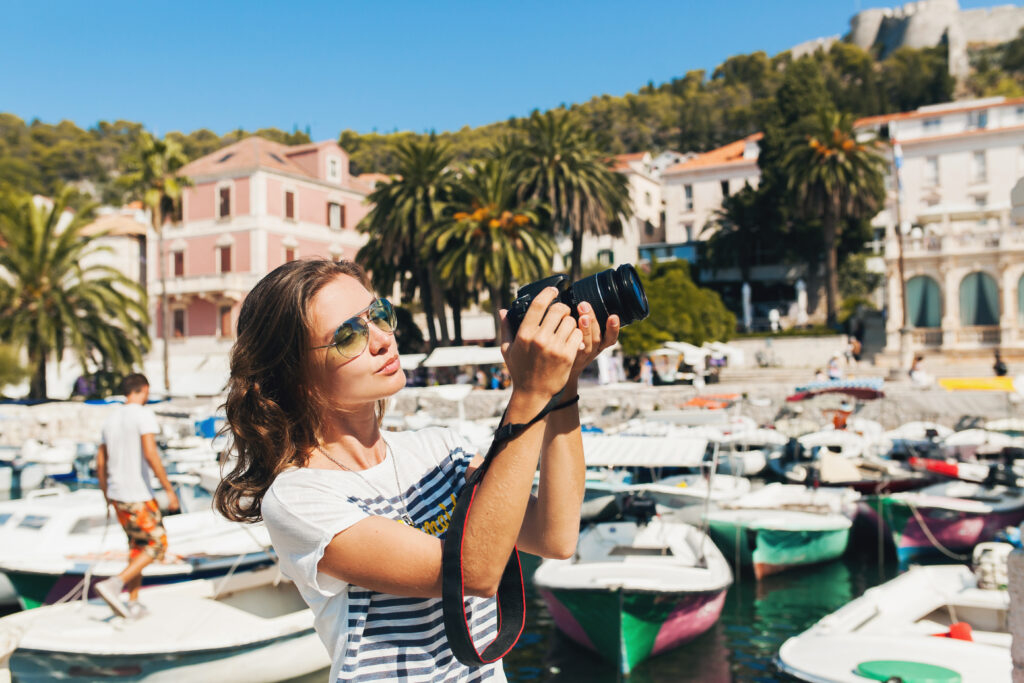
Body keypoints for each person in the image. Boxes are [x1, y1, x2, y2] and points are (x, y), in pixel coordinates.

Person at [212, 259, 617, 682]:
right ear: (296, 376)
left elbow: (555, 536)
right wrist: (531, 391)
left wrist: (564, 386)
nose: (383, 339)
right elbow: (473, 574)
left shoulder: (439, 448)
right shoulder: (299, 498)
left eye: (380, 315)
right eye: (349, 336)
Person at [94, 373, 180, 618]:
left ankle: (132, 602)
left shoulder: (110, 419)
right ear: (144, 389)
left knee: (137, 547)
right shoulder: (142, 414)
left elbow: (101, 462)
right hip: (137, 494)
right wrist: (169, 491)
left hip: (118, 494)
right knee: (158, 544)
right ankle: (114, 584)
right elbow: (151, 455)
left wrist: (106, 495)